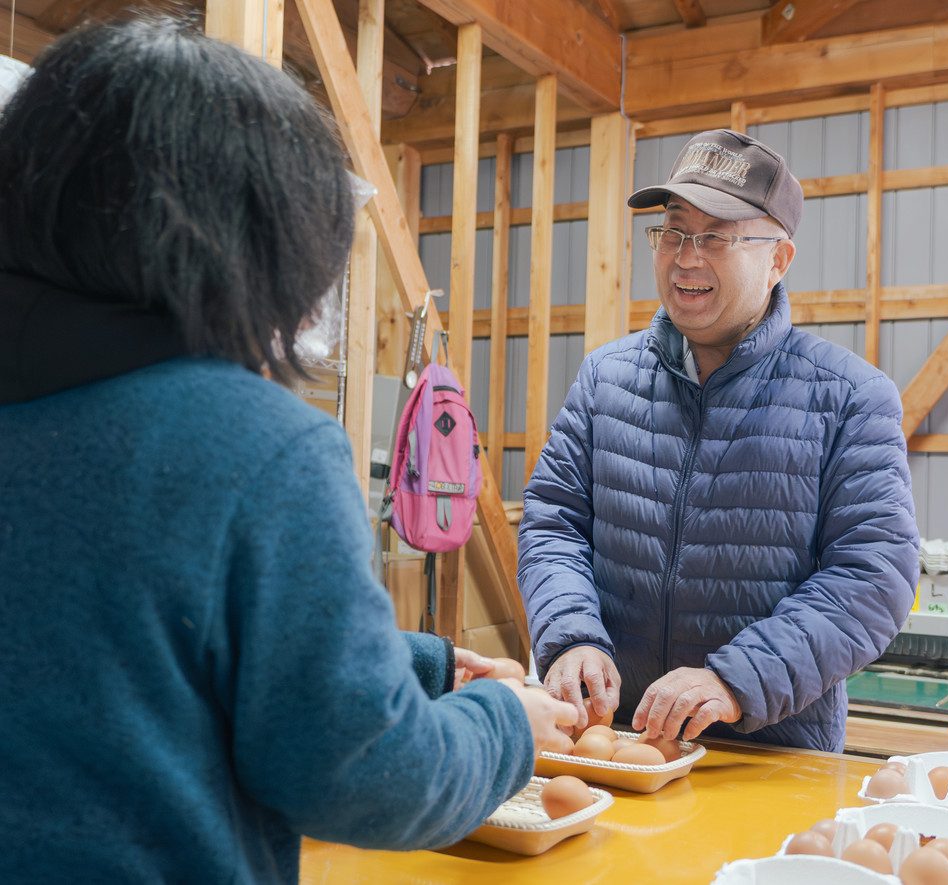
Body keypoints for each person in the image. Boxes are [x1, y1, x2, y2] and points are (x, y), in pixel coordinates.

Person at [0, 16, 574, 884]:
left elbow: (126, 646)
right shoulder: (258, 444)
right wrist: (504, 723)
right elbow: (367, 776)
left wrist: (425, 664)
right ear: (249, 237)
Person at [518, 129, 920, 753]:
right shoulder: (607, 378)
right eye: (673, 232)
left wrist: (736, 678)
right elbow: (553, 522)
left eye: (716, 237)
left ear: (778, 259)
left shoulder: (848, 397)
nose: (686, 258)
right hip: (619, 743)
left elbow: (874, 576)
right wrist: (570, 636)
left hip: (766, 752)